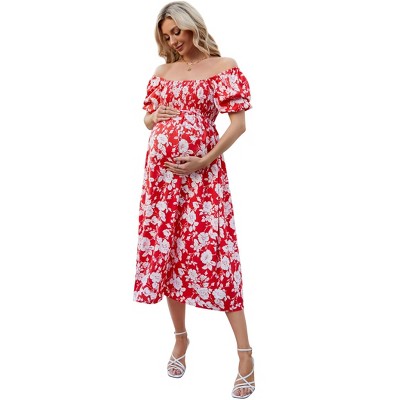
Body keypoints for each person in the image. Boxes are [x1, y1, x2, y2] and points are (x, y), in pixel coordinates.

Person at [133, 2, 255, 398]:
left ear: (193, 27)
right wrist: (154, 119)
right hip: (161, 182)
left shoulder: (222, 67)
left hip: (203, 179)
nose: (173, 40)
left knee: (217, 256)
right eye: (166, 35)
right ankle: (180, 338)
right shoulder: (162, 72)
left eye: (177, 32)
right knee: (170, 255)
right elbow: (148, 118)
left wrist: (205, 159)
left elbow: (238, 124)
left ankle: (245, 355)